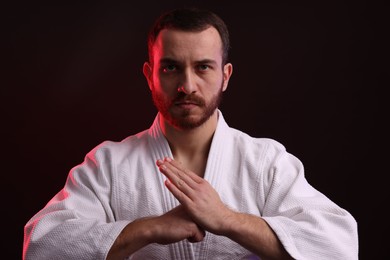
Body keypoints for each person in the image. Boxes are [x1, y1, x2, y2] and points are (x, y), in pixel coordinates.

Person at [23, 7, 359, 260]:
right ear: (149, 75)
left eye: (203, 67)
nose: (187, 85)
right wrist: (149, 228)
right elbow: (41, 244)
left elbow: (339, 245)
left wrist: (227, 220)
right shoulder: (109, 163)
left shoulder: (265, 162)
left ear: (225, 75)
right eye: (170, 67)